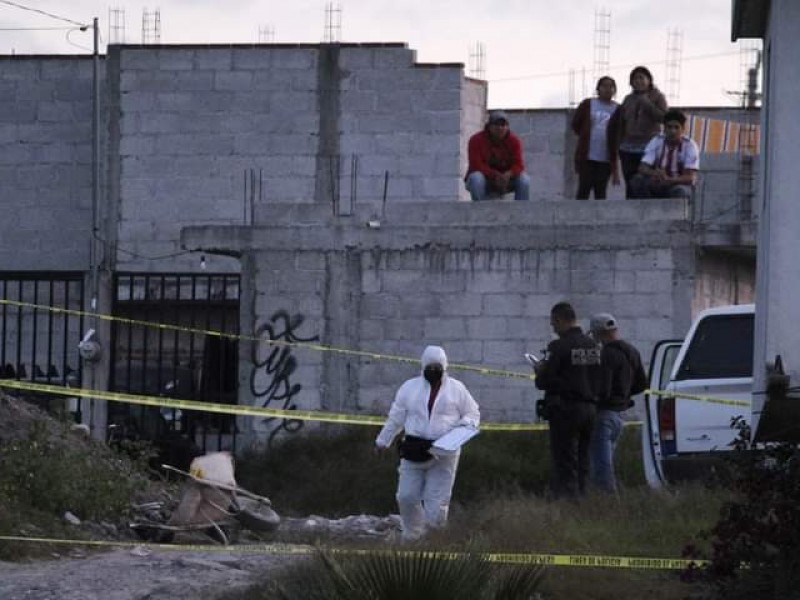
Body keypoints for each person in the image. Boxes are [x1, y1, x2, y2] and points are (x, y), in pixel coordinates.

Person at [375, 345, 480, 542]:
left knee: (437, 503)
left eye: (437, 366)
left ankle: (433, 543)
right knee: (406, 496)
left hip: (444, 454)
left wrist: (461, 429)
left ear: (445, 367)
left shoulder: (457, 389)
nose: (433, 371)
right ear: (422, 366)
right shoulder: (409, 388)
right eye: (429, 366)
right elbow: (396, 417)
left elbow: (473, 413)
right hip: (414, 450)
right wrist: (383, 440)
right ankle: (413, 536)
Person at [534, 302, 602, 499]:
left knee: (564, 459)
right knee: (583, 458)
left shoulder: (559, 347)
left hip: (565, 409)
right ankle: (583, 496)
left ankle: (568, 501)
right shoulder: (593, 345)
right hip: (590, 408)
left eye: (553, 323)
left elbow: (545, 381)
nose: (552, 328)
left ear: (559, 319)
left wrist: (540, 370)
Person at [588, 313, 648, 494]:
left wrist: (593, 398)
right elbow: (642, 384)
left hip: (604, 414)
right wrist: (624, 396)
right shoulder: (632, 351)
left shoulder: (606, 354)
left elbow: (602, 388)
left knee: (601, 464)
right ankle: (606, 497)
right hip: (620, 415)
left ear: (598, 333)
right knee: (606, 459)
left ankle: (607, 499)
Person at [609, 66, 668, 199]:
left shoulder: (658, 96)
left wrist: (647, 103)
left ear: (649, 80)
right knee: (630, 181)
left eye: (641, 78)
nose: (638, 81)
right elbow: (621, 123)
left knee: (645, 181)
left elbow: (664, 118)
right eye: (635, 79)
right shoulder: (628, 99)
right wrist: (619, 143)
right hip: (628, 147)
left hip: (649, 146)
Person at [628, 109, 700, 199]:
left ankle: (674, 213)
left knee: (680, 192)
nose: (673, 131)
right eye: (669, 127)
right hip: (659, 181)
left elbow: (689, 177)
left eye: (676, 127)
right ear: (664, 129)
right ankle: (648, 210)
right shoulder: (656, 141)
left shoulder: (690, 145)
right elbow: (642, 167)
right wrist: (655, 173)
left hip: (678, 184)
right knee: (637, 180)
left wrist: (670, 180)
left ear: (683, 129)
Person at [571, 76, 620, 200]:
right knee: (584, 188)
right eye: (604, 86)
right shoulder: (588, 104)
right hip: (587, 155)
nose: (607, 89)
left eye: (611, 86)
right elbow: (576, 124)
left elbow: (620, 131)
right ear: (598, 89)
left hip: (605, 157)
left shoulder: (618, 109)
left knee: (601, 190)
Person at [465, 110, 531, 201]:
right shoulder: (475, 140)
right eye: (496, 124)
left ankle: (521, 212)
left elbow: (519, 165)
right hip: (485, 179)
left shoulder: (514, 141)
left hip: (506, 180)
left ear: (507, 127)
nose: (500, 128)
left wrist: (509, 174)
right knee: (476, 178)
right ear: (489, 126)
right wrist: (495, 175)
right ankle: (480, 211)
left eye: (503, 125)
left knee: (524, 180)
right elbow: (476, 165)